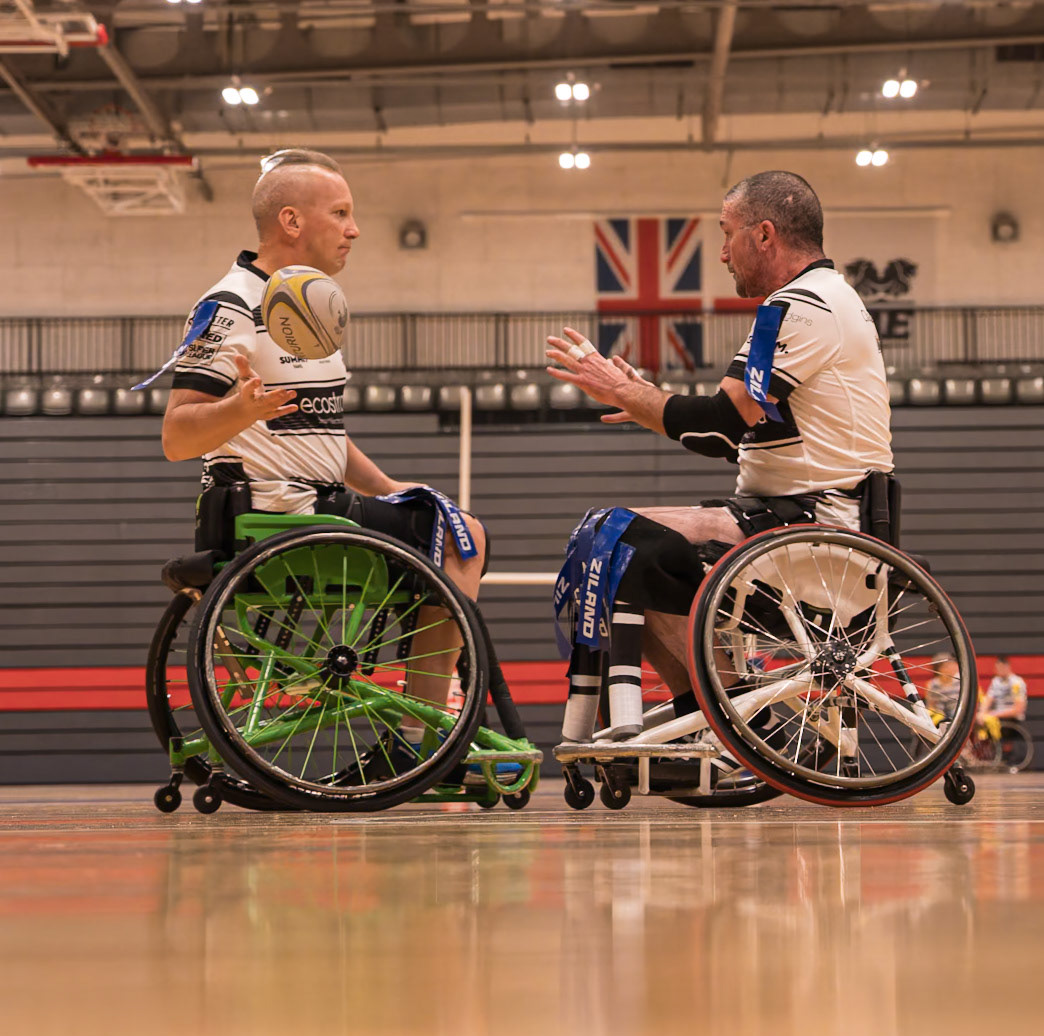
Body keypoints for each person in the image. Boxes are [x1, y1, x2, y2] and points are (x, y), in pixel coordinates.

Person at [160, 147, 486, 771]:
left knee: (436, 515)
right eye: (340, 213)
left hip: (314, 505)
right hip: (274, 516)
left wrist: (388, 485)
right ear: (291, 221)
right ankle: (428, 729)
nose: (354, 228)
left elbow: (320, 432)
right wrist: (241, 411)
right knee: (461, 534)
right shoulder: (231, 306)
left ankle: (422, 718)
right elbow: (177, 435)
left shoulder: (308, 302)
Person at [547, 170, 893, 709]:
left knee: (613, 535)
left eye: (726, 233)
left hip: (813, 530)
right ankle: (719, 707)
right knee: (617, 538)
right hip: (800, 517)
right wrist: (641, 400)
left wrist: (626, 392)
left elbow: (717, 424)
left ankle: (711, 712)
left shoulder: (803, 307)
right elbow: (730, 435)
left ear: (764, 234)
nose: (723, 253)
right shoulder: (819, 299)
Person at [979, 656, 1028, 723]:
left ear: (1007, 667)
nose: (999, 670)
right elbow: (988, 699)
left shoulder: (1016, 682)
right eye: (997, 668)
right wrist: (982, 713)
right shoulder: (996, 681)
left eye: (1001, 668)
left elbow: (1018, 709)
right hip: (996, 717)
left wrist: (993, 714)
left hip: (1012, 720)